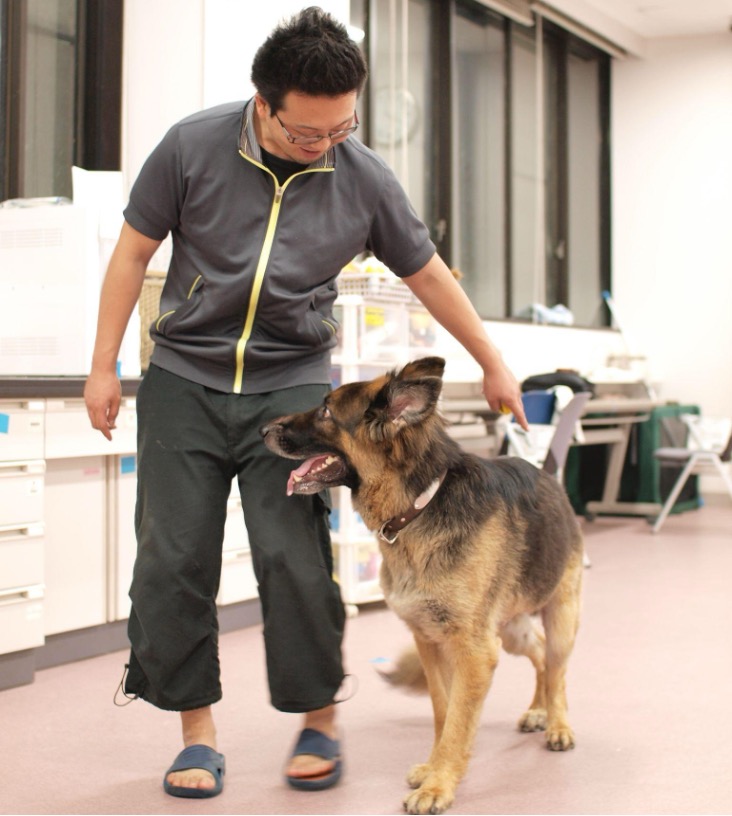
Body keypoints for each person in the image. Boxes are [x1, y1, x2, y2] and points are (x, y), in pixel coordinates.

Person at [84, 5, 529, 800]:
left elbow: (428, 273)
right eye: (305, 132)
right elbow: (132, 254)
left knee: (292, 559)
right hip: (184, 379)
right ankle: (196, 734)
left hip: (292, 387)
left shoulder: (362, 177)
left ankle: (318, 718)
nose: (324, 144)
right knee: (172, 560)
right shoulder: (192, 146)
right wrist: (103, 365)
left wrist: (492, 360)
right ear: (265, 105)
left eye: (341, 127)